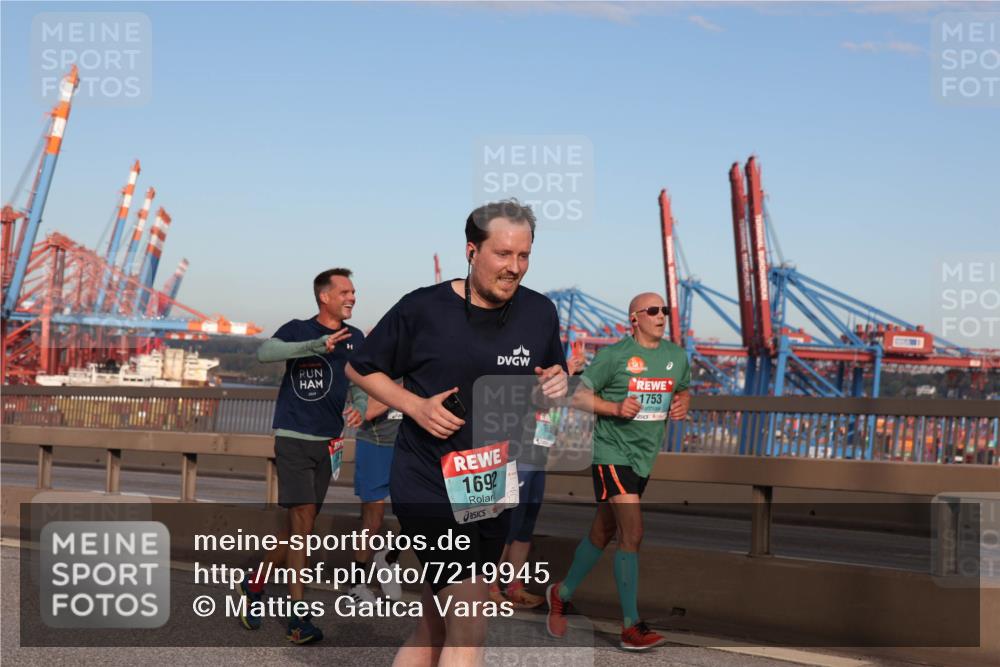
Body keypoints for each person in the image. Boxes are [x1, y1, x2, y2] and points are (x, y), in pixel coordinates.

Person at [347, 200, 568, 667]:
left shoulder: (540, 312)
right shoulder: (422, 308)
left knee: (434, 625)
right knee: (469, 625)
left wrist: (557, 382)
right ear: (472, 251)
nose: (514, 267)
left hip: (490, 481)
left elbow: (553, 373)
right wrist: (414, 405)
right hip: (427, 479)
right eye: (503, 254)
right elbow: (359, 366)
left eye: (524, 255)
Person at [546, 292, 691, 651]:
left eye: (664, 310)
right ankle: (630, 626)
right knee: (633, 532)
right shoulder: (614, 356)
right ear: (634, 319)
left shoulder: (676, 357)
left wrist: (683, 404)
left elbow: (684, 390)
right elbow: (578, 396)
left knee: (603, 531)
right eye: (653, 310)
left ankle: (561, 593)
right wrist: (614, 408)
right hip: (612, 453)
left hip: (644, 457)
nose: (661, 315)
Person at [238, 268, 364, 644]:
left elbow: (359, 378)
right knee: (303, 524)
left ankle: (255, 582)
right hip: (293, 437)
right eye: (345, 292)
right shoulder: (297, 329)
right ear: (324, 297)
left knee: (300, 527)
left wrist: (359, 405)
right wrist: (315, 346)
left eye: (353, 292)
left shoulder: (355, 338)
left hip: (328, 443)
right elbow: (265, 352)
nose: (352, 297)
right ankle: (298, 617)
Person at [489, 353, 586, 609]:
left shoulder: (555, 383)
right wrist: (564, 372)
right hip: (519, 458)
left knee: (525, 527)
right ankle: (490, 586)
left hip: (538, 459)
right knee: (509, 525)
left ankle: (514, 586)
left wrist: (569, 374)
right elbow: (538, 396)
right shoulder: (530, 378)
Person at [346, 380, 404, 603]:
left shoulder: (415, 364)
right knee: (373, 520)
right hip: (375, 445)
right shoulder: (369, 368)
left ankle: (389, 557)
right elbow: (367, 411)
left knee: (418, 512)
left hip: (408, 447)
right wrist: (404, 388)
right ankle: (356, 585)